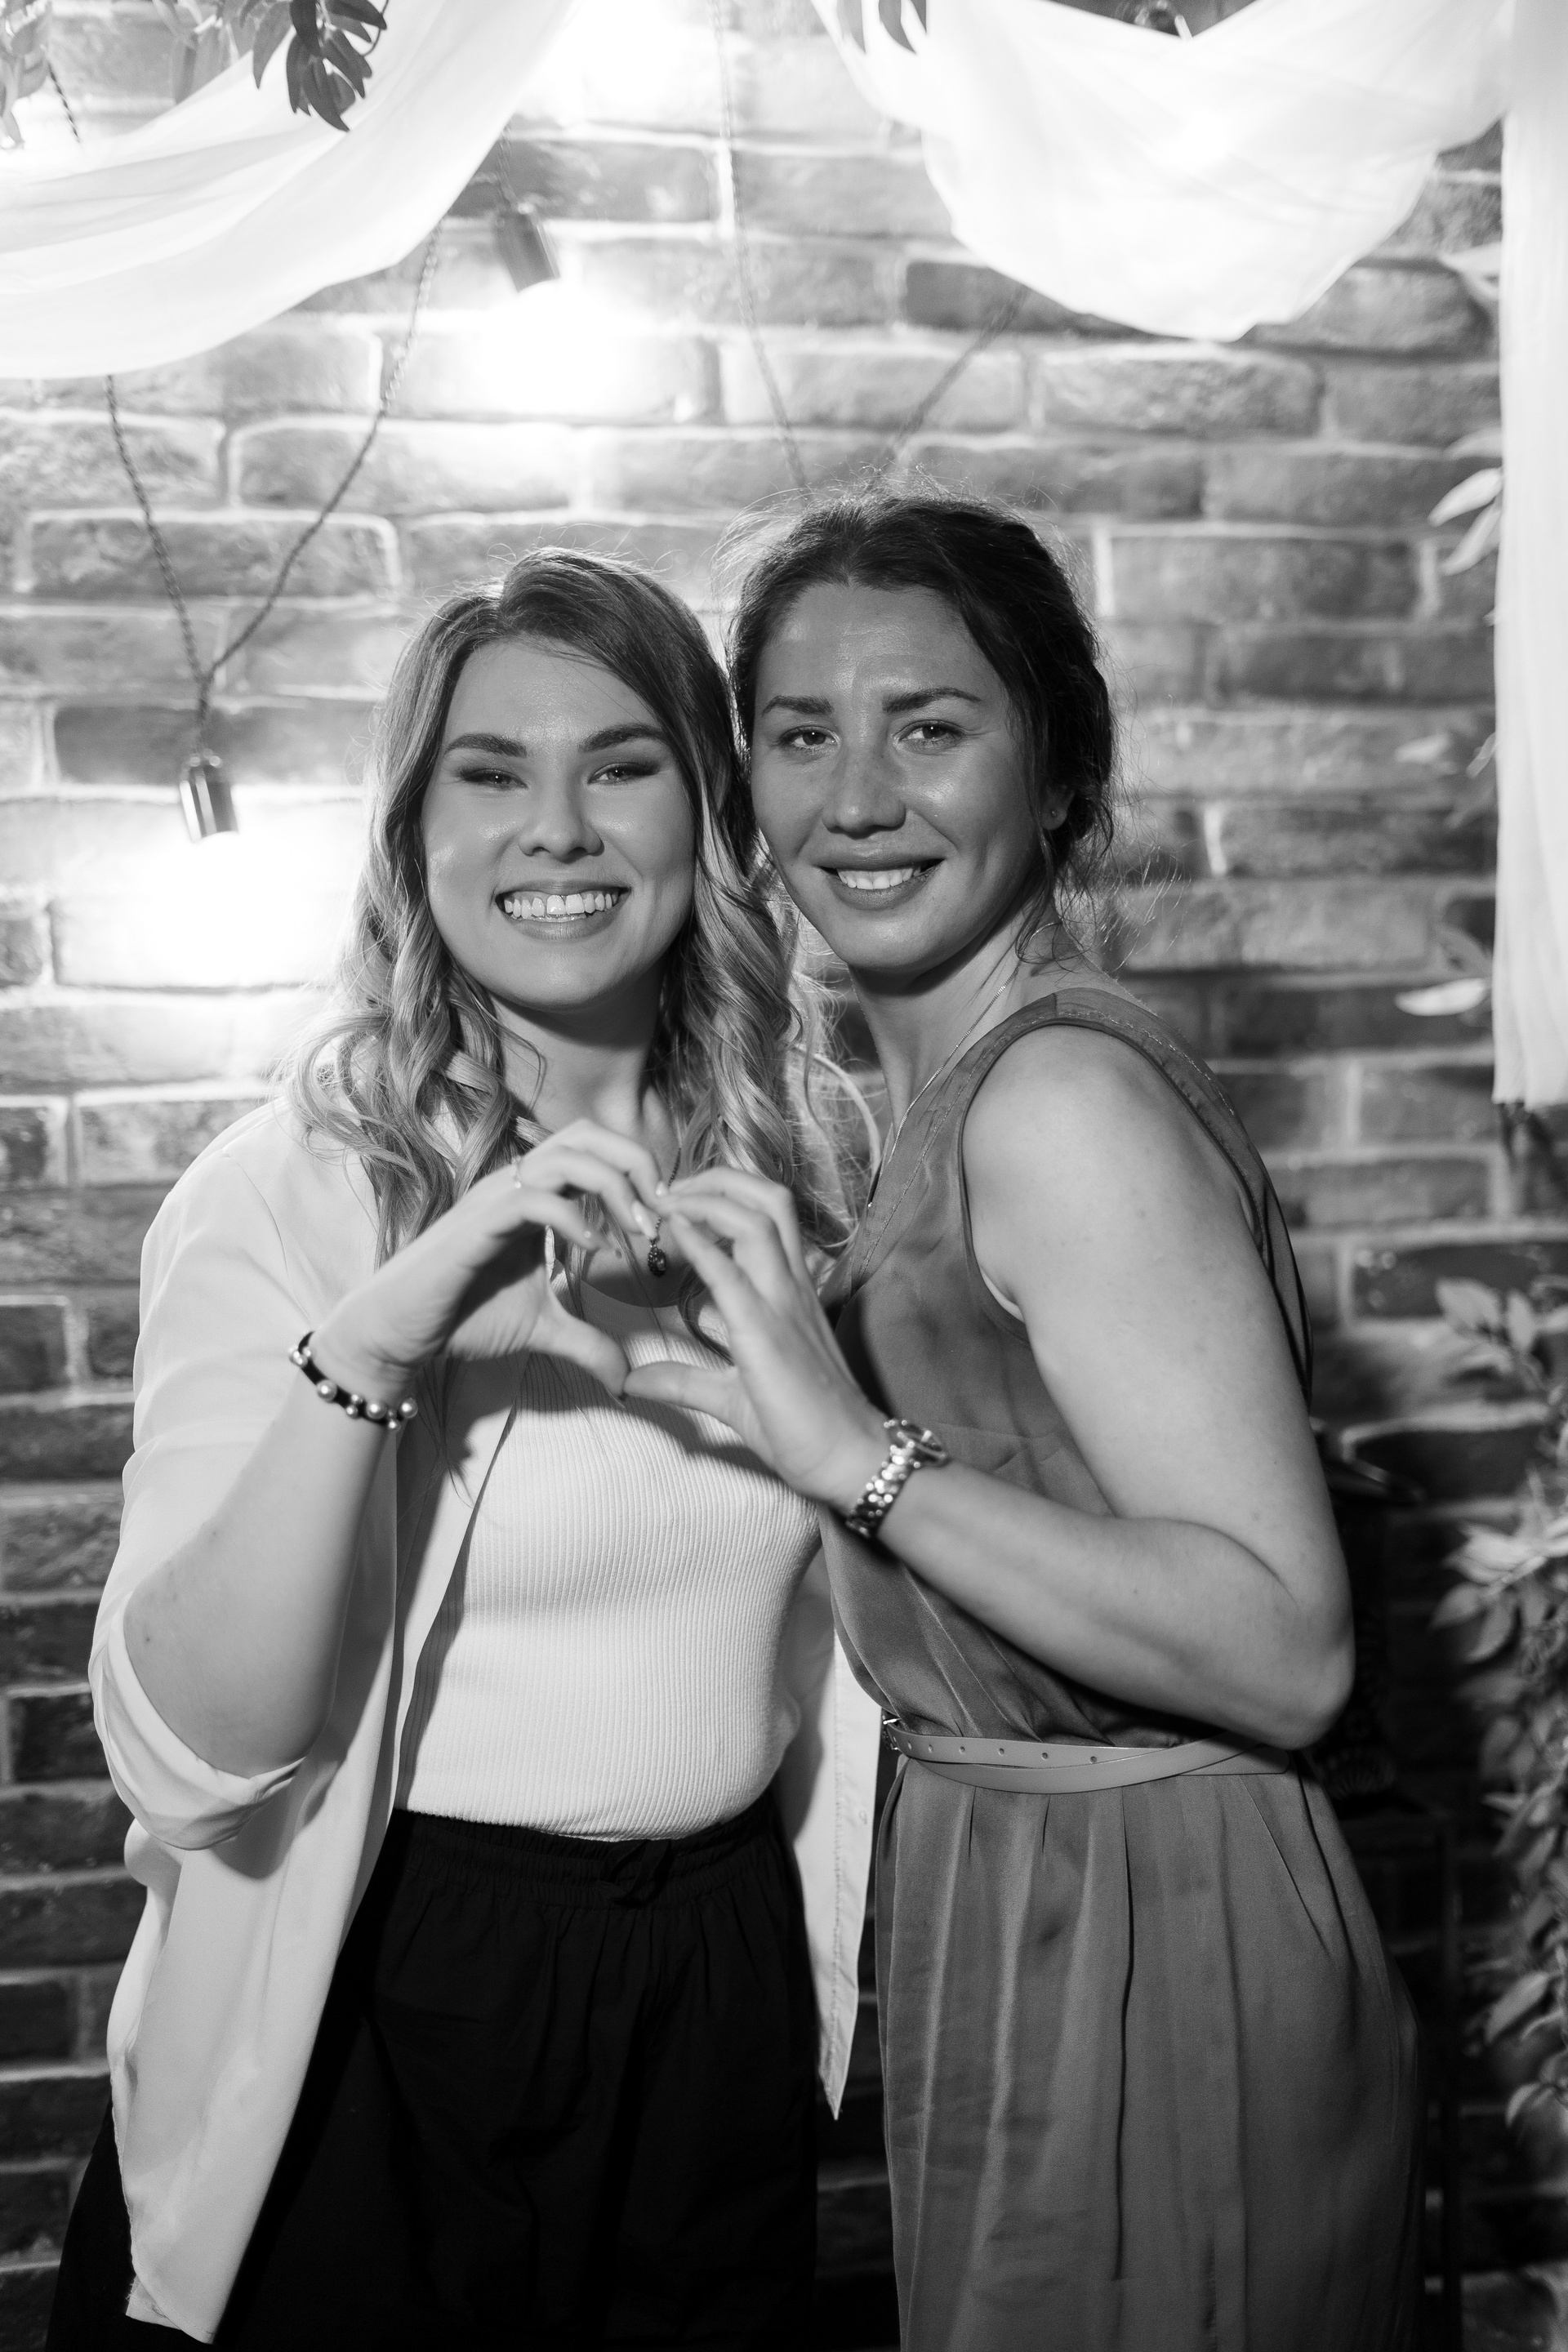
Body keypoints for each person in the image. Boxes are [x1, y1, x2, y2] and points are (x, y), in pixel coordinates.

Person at [48, 549, 881, 2350]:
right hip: (394, 1992)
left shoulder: (814, 1184)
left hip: (715, 1988)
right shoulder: (289, 1196)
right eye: (491, 773)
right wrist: (378, 1343)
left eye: (622, 764)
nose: (558, 827)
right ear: (413, 832)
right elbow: (195, 1763)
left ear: (709, 811)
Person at [626, 492, 1423, 2352]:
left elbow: (1286, 1648)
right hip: (1024, 1900)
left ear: (1057, 772)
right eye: (802, 736)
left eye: (931, 726)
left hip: (1166, 1925)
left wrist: (855, 1460)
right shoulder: (943, 1100)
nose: (858, 798)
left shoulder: (1058, 1102)